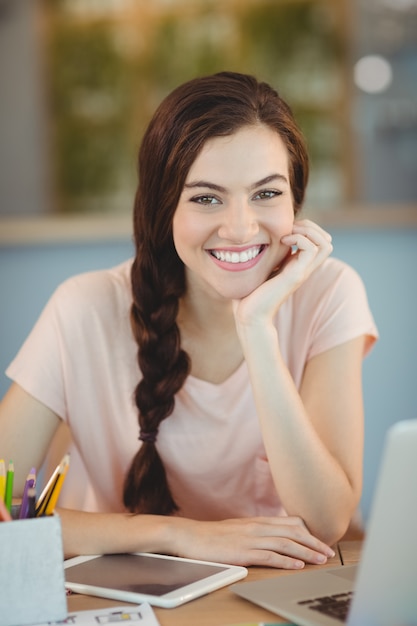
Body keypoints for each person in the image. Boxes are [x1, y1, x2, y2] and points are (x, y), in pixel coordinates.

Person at [0, 71, 377, 569]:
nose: (241, 227)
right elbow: (7, 510)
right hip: (119, 598)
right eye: (206, 197)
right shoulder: (83, 308)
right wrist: (179, 536)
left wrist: (257, 328)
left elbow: (326, 522)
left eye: (267, 193)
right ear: (165, 209)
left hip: (264, 592)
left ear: (296, 202)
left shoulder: (329, 293)